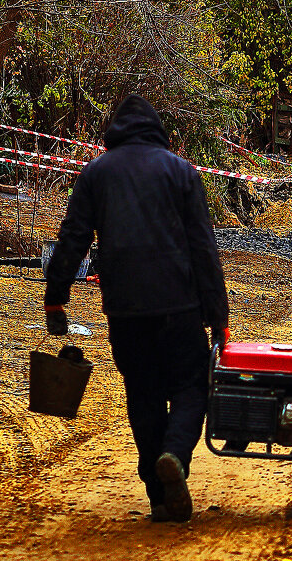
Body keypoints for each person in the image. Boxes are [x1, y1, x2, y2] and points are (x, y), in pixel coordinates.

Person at [43, 95, 228, 524]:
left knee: (142, 394)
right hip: (180, 306)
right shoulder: (181, 172)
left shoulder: (96, 173)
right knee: (190, 387)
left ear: (116, 131)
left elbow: (73, 237)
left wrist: (56, 298)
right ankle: (176, 456)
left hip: (125, 311)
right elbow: (204, 249)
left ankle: (160, 499)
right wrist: (217, 317)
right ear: (158, 130)